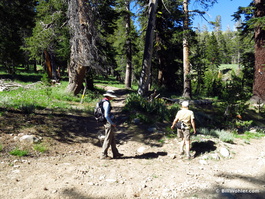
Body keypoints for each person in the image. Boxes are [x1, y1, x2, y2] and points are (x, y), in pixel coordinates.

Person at [100, 90, 123, 160]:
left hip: (106, 122)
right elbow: (106, 115)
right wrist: (112, 123)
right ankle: (103, 155)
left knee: (112, 138)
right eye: (112, 96)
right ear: (109, 96)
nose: (113, 98)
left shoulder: (102, 101)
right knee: (108, 139)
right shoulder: (106, 103)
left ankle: (116, 153)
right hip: (108, 123)